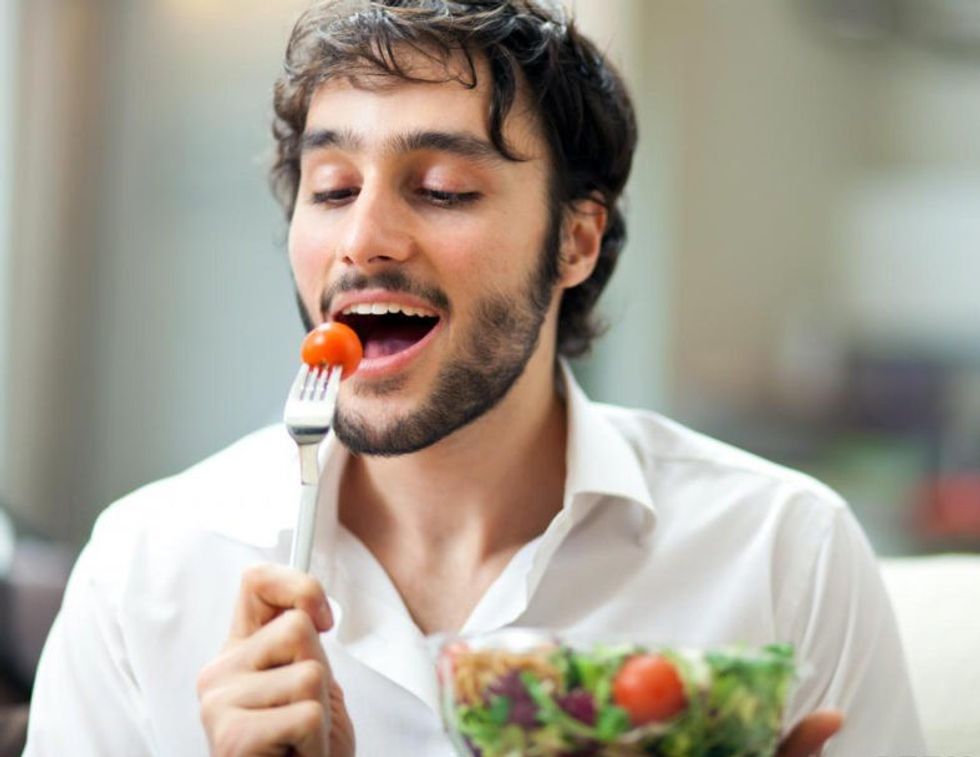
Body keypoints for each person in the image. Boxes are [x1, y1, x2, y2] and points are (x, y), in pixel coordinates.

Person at [24, 1, 924, 755]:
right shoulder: (147, 566)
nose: (362, 238)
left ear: (574, 240)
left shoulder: (780, 553)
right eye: (332, 187)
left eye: (445, 188)